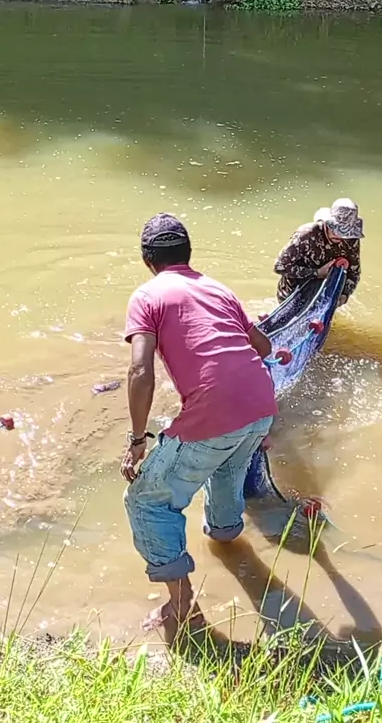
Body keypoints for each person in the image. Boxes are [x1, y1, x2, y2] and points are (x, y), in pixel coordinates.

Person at [121, 213, 277, 639]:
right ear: (188, 254)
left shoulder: (147, 295)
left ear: (147, 260)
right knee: (225, 470)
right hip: (260, 407)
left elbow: (140, 371)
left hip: (217, 411)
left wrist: (137, 440)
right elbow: (263, 347)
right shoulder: (217, 288)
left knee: (146, 500)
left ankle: (181, 604)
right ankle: (227, 538)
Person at [274, 198, 363, 306]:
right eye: (335, 229)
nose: (339, 235)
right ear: (327, 223)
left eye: (345, 232)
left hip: (325, 290)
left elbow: (354, 271)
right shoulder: (306, 234)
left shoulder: (351, 239)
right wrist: (317, 273)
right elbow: (279, 266)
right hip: (292, 292)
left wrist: (344, 295)